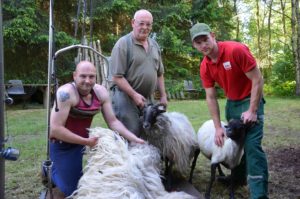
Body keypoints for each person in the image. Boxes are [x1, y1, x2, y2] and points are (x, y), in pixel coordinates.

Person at [190, 23, 269, 198]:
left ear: (213, 35)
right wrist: (218, 127)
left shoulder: (235, 50)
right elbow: (211, 97)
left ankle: (259, 194)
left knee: (252, 147)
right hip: (232, 103)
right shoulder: (205, 66)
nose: (204, 45)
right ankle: (239, 178)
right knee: (236, 143)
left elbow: (257, 79)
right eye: (199, 43)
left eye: (206, 39)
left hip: (250, 99)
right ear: (194, 46)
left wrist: (252, 110)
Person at [48, 60, 145, 198]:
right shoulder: (65, 93)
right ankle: (49, 171)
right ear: (74, 75)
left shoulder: (100, 92)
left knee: (88, 183)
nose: (87, 81)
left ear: (96, 77)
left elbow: (113, 121)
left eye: (91, 76)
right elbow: (55, 130)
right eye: (83, 76)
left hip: (83, 143)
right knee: (73, 191)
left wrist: (134, 138)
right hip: (62, 145)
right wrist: (86, 142)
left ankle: (65, 169)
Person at [110, 9, 168, 137]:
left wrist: (163, 95)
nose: (145, 27)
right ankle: (123, 155)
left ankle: (145, 156)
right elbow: (117, 77)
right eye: (141, 23)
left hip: (146, 97)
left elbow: (160, 73)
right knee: (132, 131)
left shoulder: (154, 45)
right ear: (133, 23)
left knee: (151, 131)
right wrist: (134, 95)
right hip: (125, 96)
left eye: (148, 24)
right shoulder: (123, 44)